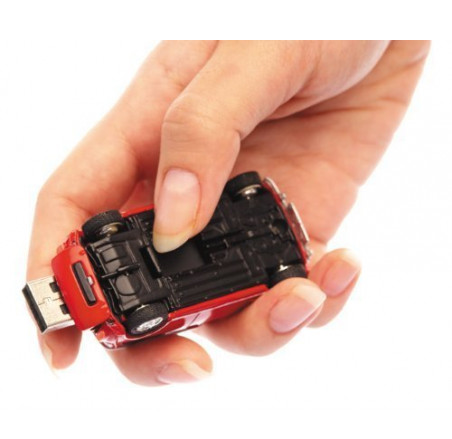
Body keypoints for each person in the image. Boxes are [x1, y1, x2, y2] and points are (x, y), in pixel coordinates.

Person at [26, 40, 429, 385]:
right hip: (214, 264)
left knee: (283, 289)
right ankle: (279, 268)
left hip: (219, 235)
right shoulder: (123, 311)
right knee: (283, 290)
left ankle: (275, 263)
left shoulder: (121, 307)